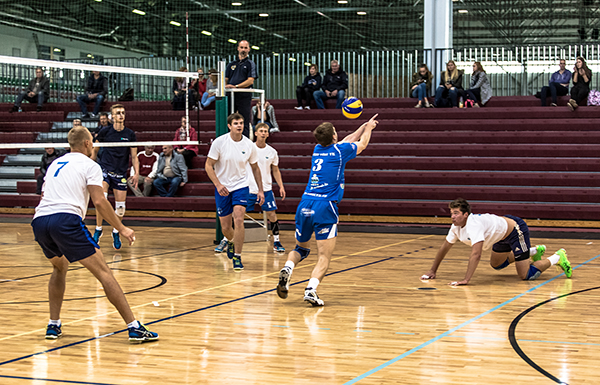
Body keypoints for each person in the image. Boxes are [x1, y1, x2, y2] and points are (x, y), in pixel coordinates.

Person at [31, 125, 158, 343]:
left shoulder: (54, 164)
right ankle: (134, 327)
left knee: (59, 267)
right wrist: (122, 227)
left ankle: (53, 325)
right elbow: (99, 201)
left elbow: (44, 194)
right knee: (104, 273)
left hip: (40, 221)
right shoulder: (91, 165)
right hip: (65, 220)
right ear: (88, 143)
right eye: (92, 141)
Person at [276, 114, 379, 306]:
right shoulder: (340, 151)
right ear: (333, 136)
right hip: (325, 206)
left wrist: (362, 125)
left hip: (305, 203)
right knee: (324, 256)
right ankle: (311, 290)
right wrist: (369, 129)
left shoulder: (317, 149)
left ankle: (288, 268)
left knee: (301, 249)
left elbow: (346, 141)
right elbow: (361, 144)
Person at [420, 198, 572, 286]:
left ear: (466, 215)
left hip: (514, 230)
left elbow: (476, 254)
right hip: (500, 233)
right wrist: (433, 270)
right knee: (497, 265)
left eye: (456, 213)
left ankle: (557, 257)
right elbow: (444, 248)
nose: (452, 217)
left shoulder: (474, 226)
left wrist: (466, 279)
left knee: (525, 276)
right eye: (451, 213)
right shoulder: (456, 227)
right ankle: (533, 251)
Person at [205, 113, 264, 271]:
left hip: (241, 186)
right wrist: (218, 185)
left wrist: (260, 190)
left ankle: (237, 256)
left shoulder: (249, 145)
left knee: (238, 219)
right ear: (229, 126)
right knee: (225, 227)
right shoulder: (219, 143)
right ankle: (230, 241)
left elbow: (255, 168)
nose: (239, 125)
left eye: (242, 122)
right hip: (223, 187)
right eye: (236, 123)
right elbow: (208, 166)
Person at [215, 123, 286, 253]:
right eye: (261, 131)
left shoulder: (272, 152)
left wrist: (281, 186)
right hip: (247, 188)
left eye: (266, 131)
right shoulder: (248, 147)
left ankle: (276, 241)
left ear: (268, 134)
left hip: (266, 189)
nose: (263, 133)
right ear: (256, 133)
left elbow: (275, 170)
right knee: (235, 215)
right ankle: (226, 240)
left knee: (272, 214)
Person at [91, 104, 139, 250]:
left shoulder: (130, 134)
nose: (121, 115)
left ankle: (116, 231)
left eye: (123, 113)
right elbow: (95, 150)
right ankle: (98, 229)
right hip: (105, 169)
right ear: (112, 117)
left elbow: (134, 156)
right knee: (102, 199)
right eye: (118, 113)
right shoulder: (105, 132)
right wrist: (90, 166)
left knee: (121, 208)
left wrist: (136, 173)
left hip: (120, 172)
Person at [225, 41, 258, 137]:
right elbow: (225, 80)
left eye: (245, 48)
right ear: (238, 48)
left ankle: (245, 143)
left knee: (244, 120)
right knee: (229, 120)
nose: (243, 50)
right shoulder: (231, 64)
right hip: (231, 96)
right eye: (241, 47)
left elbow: (250, 81)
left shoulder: (250, 64)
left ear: (249, 49)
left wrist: (236, 86)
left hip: (244, 95)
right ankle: (229, 142)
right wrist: (227, 86)